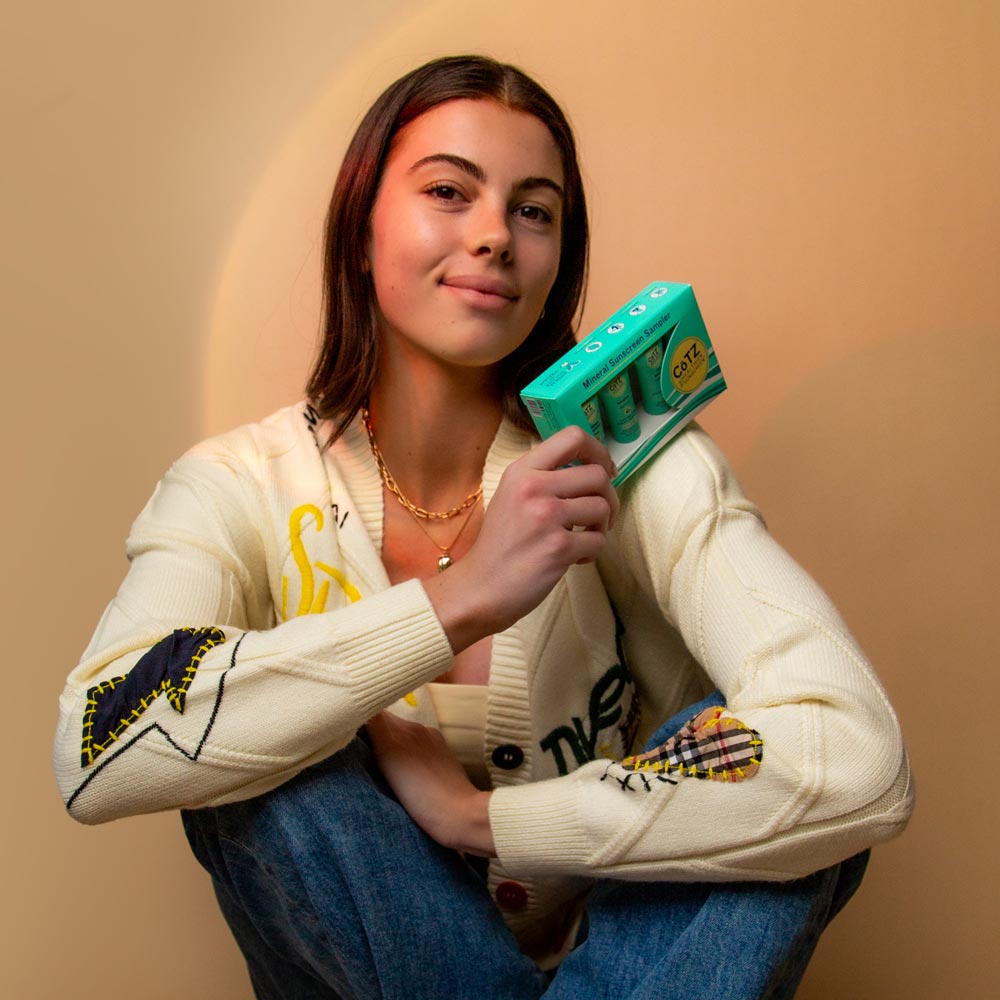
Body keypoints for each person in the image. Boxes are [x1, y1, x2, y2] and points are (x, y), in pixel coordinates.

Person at [53, 55, 912, 999]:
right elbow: (94, 750)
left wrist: (481, 820)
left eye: (534, 210)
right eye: (449, 192)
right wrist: (457, 600)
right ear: (360, 231)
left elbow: (861, 760)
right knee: (259, 741)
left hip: (632, 969)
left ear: (557, 263)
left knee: (788, 789)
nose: (496, 235)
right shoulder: (236, 484)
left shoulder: (632, 458)